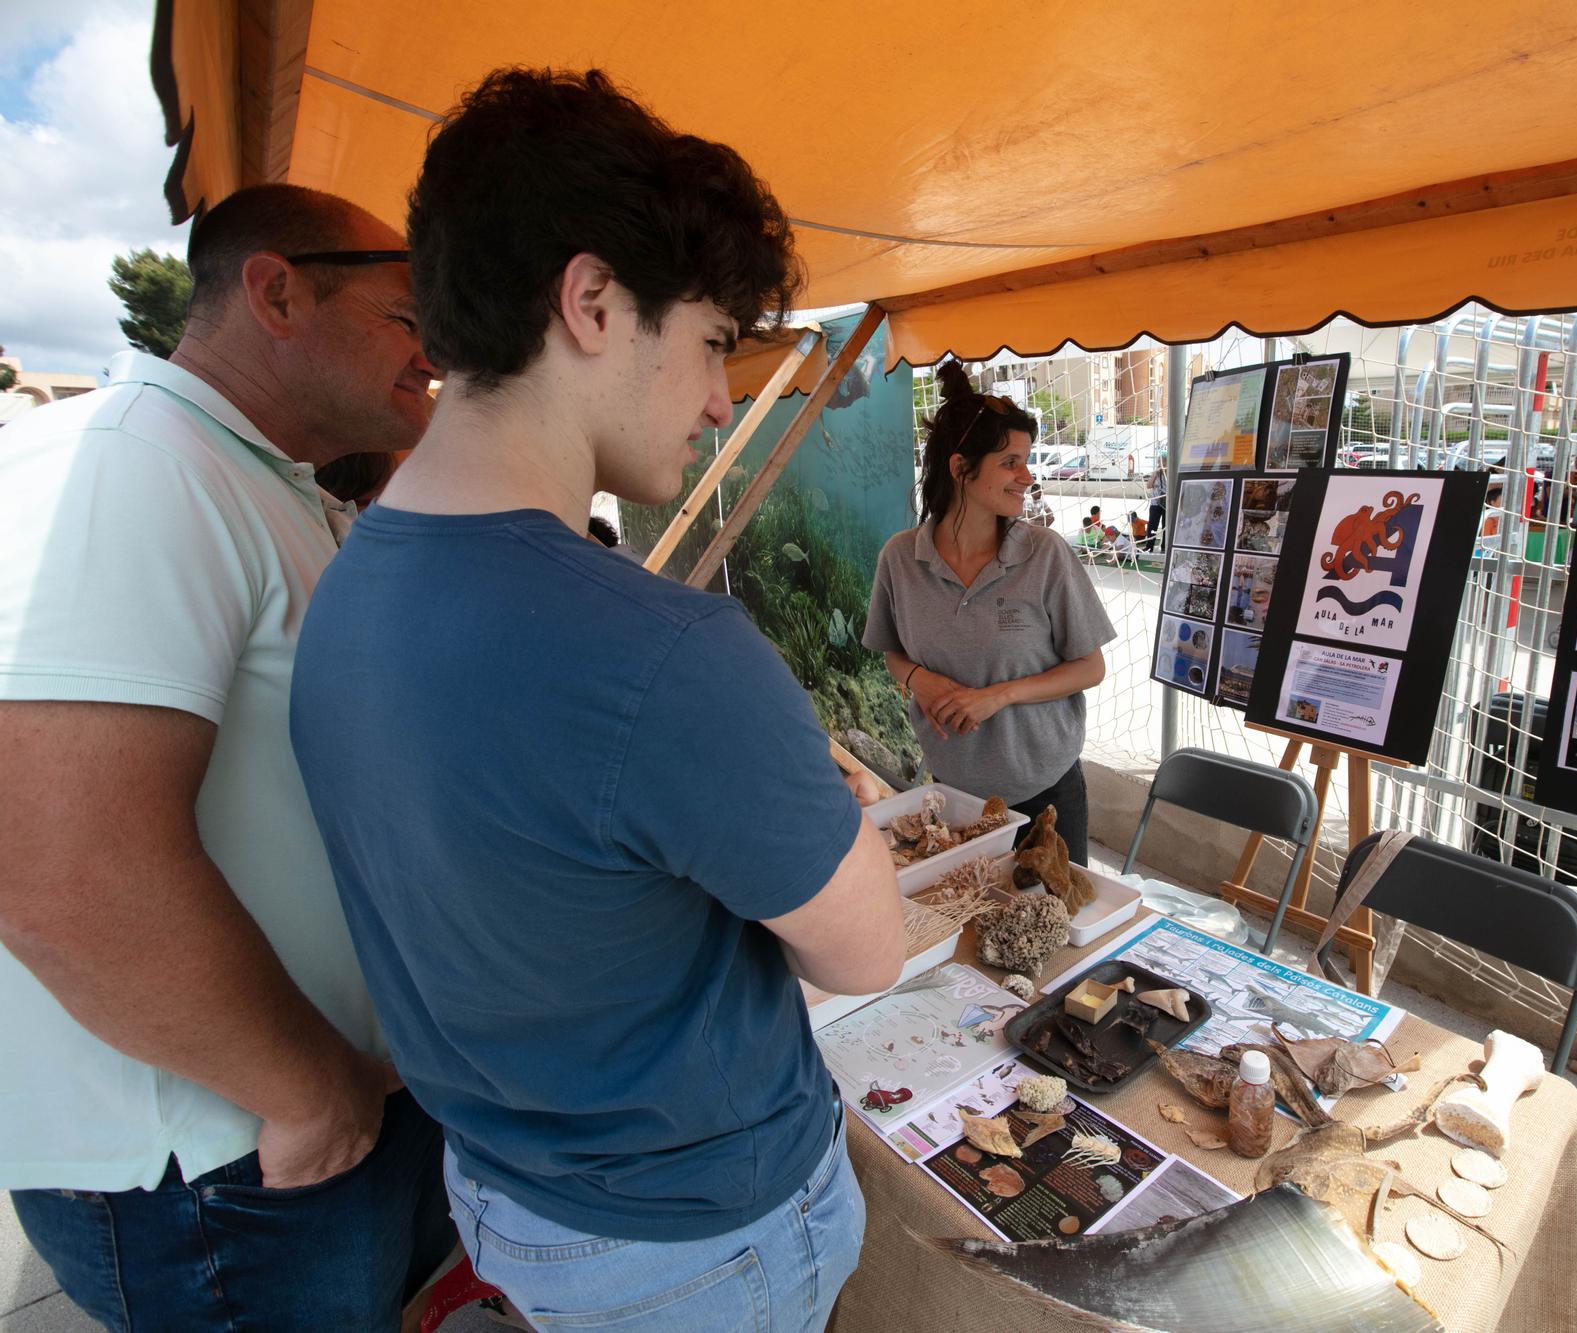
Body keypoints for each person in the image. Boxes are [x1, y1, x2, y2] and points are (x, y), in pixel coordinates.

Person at [287, 69, 902, 1333]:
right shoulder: (662, 650)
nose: (725, 396)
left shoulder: (344, 584)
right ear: (592, 300)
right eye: (716, 340)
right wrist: (821, 812)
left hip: (510, 1192)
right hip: (698, 1239)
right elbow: (866, 949)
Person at [0, 184, 455, 1328]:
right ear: (278, 290)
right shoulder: (130, 464)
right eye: (410, 313)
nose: (438, 348)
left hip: (294, 1131)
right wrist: (306, 1090)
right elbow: (58, 866)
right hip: (227, 1167)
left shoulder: (249, 476)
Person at [866, 362, 1115, 856]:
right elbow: (891, 651)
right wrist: (920, 679)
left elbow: (1091, 667)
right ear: (961, 469)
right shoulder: (900, 558)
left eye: (1025, 461)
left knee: (1054, 926)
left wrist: (999, 696)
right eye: (1010, 463)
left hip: (1047, 789)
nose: (1027, 476)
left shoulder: (1044, 554)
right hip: (955, 793)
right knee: (972, 922)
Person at [1145, 460, 1167, 550]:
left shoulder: (1170, 473)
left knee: (1166, 525)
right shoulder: (1155, 474)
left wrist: (1165, 472)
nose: (1160, 465)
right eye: (1159, 462)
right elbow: (1149, 485)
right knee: (1152, 525)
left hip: (1167, 503)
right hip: (1155, 503)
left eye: (1163, 463)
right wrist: (1154, 475)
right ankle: (1149, 546)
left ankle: (1164, 546)